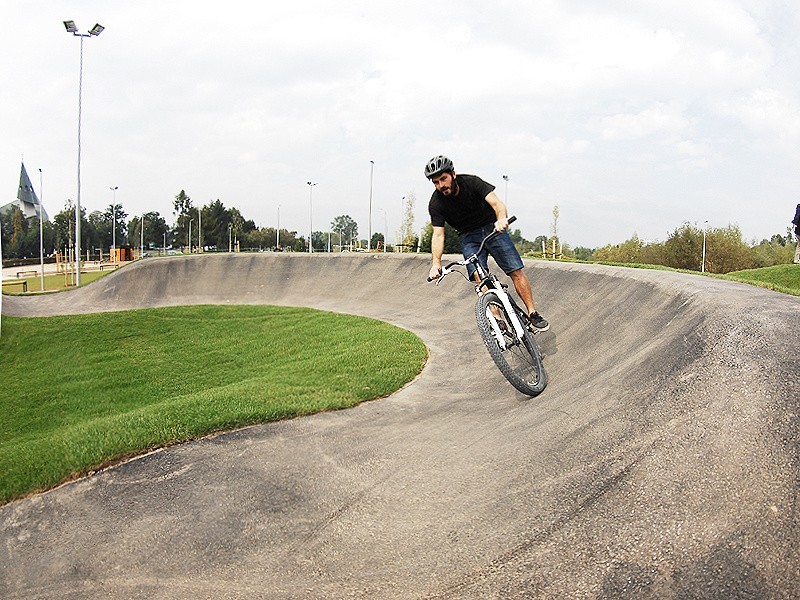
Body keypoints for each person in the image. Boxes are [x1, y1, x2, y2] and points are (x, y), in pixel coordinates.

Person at [425, 155, 549, 332]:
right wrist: (435, 264)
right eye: (435, 182)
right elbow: (438, 235)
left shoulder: (472, 182)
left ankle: (532, 313)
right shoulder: (436, 203)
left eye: (443, 179)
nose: (441, 185)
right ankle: (498, 320)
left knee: (515, 271)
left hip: (493, 229)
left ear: (453, 174)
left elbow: (497, 203)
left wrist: (501, 219)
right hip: (468, 237)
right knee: (479, 278)